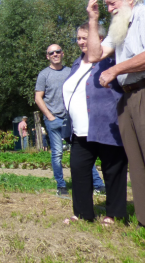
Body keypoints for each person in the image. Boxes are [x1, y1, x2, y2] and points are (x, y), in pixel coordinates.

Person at [86, 0, 145, 249]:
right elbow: (95, 55)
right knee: (139, 162)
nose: (109, 9)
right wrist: (93, 19)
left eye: (112, 3)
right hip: (129, 97)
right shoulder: (120, 26)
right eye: (106, 5)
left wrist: (116, 70)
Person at [62, 23, 128, 225]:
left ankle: (114, 215)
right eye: (79, 38)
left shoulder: (110, 59)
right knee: (79, 169)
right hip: (80, 130)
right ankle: (83, 214)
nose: (81, 42)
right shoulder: (76, 63)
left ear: (100, 39)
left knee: (113, 170)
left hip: (107, 125)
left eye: (85, 37)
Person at [35, 45, 104, 196]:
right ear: (47, 56)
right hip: (54, 120)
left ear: (62, 54)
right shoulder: (44, 75)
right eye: (51, 53)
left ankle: (98, 185)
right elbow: (38, 97)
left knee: (84, 151)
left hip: (72, 119)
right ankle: (61, 186)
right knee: (57, 154)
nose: (55, 54)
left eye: (57, 51)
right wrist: (49, 116)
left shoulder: (70, 72)